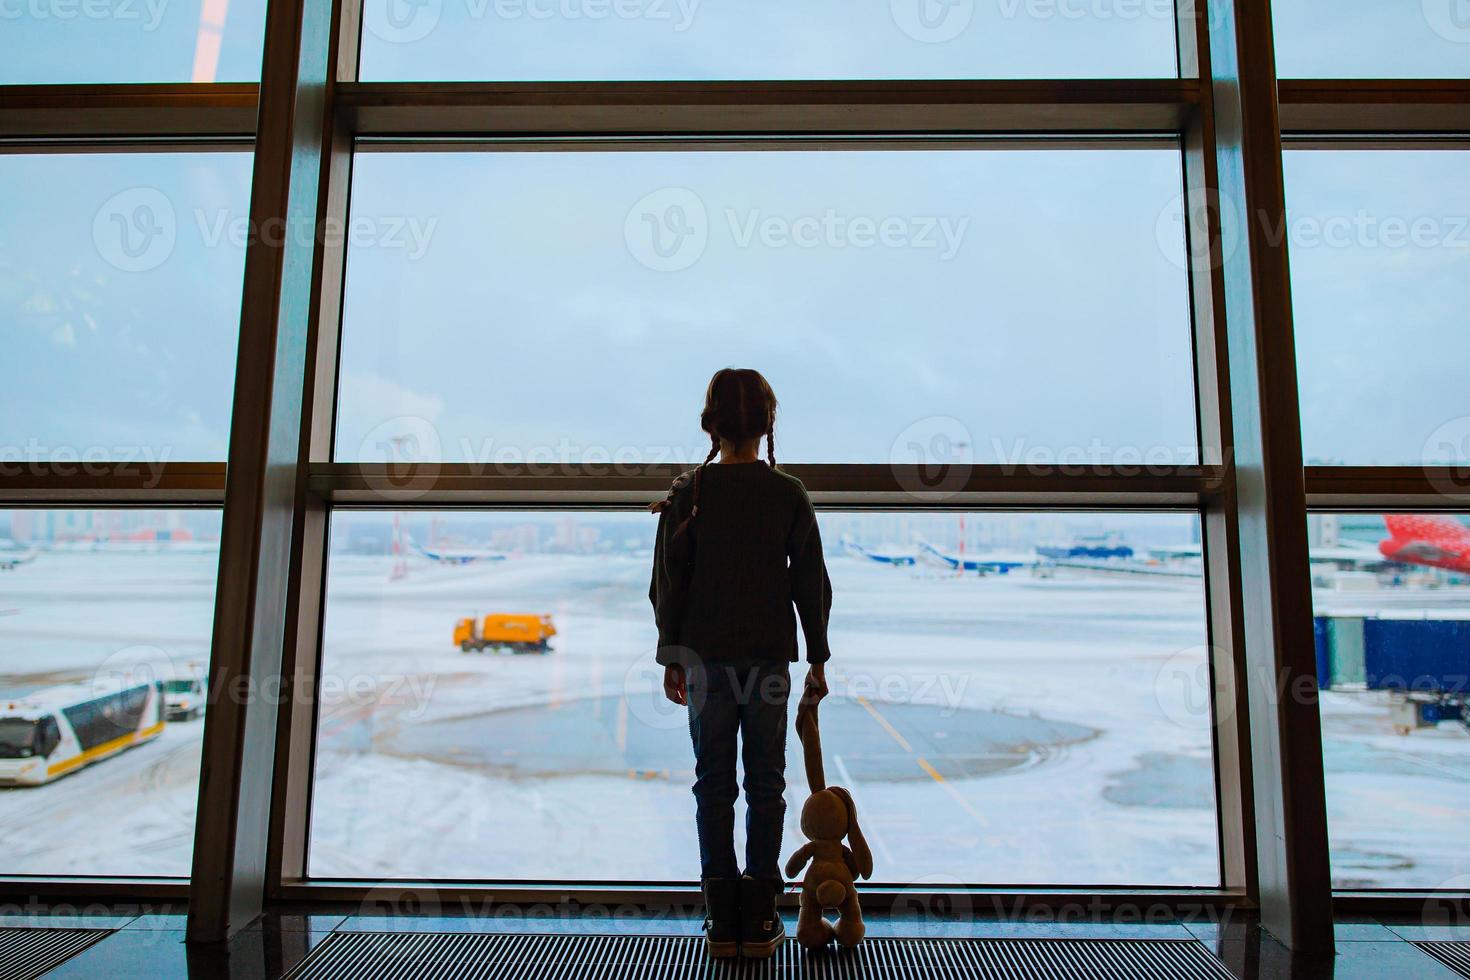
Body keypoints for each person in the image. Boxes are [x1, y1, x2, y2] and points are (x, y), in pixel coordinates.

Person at [649, 367, 832, 960]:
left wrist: (669, 655)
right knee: (767, 785)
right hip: (770, 659)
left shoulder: (688, 493)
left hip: (703, 660)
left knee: (714, 786)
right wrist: (819, 657)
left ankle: (720, 920)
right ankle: (759, 921)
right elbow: (811, 582)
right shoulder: (788, 493)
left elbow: (666, 586)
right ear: (768, 423)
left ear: (711, 423)